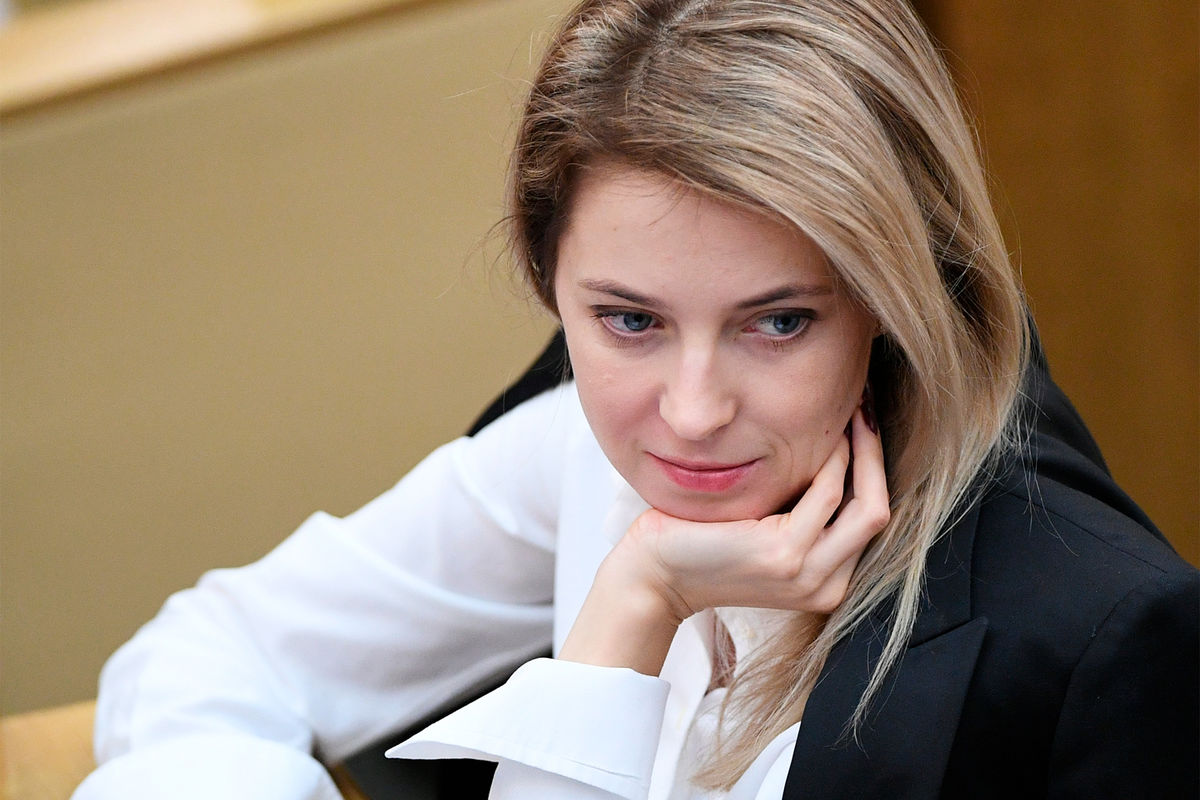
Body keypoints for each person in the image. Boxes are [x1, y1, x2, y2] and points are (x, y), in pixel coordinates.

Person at [74, 0, 1198, 798]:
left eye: (779, 321)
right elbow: (210, 652)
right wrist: (638, 602)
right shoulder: (574, 445)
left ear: (890, 297)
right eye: (628, 321)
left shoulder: (1104, 634)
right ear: (550, 286)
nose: (693, 412)